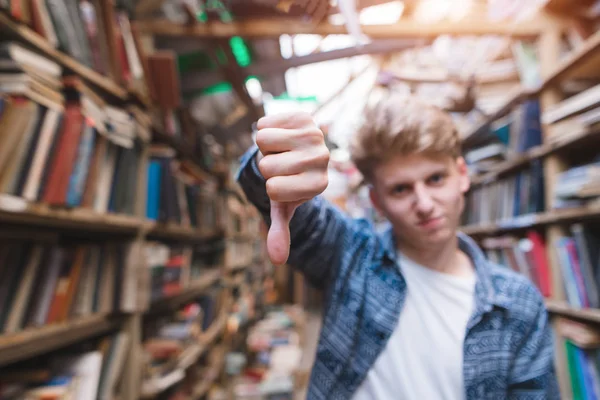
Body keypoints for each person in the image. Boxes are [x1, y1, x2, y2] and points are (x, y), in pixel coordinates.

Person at [235, 92, 558, 400]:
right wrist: (276, 158)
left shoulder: (517, 304)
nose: (425, 204)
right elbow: (276, 197)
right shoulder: (351, 254)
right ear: (377, 201)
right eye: (401, 189)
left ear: (461, 175)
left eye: (435, 179)